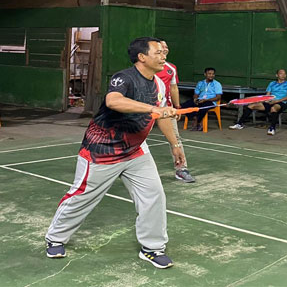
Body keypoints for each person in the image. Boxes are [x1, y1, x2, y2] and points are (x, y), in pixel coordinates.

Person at [45, 37, 184, 269]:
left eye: (164, 52)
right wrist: (153, 108)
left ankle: (152, 248)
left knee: (154, 196)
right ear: (142, 57)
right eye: (158, 52)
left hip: (136, 151)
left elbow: (162, 116)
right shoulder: (124, 78)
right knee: (82, 197)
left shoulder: (159, 84)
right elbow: (113, 101)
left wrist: (175, 144)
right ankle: (55, 238)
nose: (164, 56)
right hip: (102, 151)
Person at [155, 40, 195, 183]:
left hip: (166, 109)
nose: (165, 49)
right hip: (146, 109)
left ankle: (181, 169)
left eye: (166, 46)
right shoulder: (147, 68)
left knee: (175, 138)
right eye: (162, 47)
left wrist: (177, 108)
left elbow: (173, 88)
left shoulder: (171, 68)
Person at [231, 69, 287, 135]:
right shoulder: (272, 83)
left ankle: (272, 128)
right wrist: (266, 100)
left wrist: (276, 101)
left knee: (273, 108)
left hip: (281, 102)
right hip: (270, 101)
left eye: (284, 74)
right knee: (251, 106)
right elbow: (267, 95)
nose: (283, 75)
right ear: (277, 75)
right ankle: (239, 124)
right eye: (281, 73)